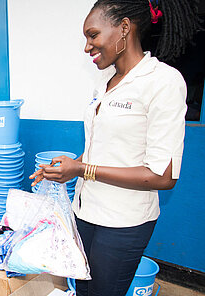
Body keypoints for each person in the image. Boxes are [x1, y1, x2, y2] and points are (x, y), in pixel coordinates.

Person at [30, 1, 200, 295]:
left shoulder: (163, 82)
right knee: (82, 289)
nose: (87, 47)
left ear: (124, 27)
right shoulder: (104, 83)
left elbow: (163, 177)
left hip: (124, 222)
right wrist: (70, 168)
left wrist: (83, 168)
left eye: (93, 35)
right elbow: (104, 149)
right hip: (85, 212)